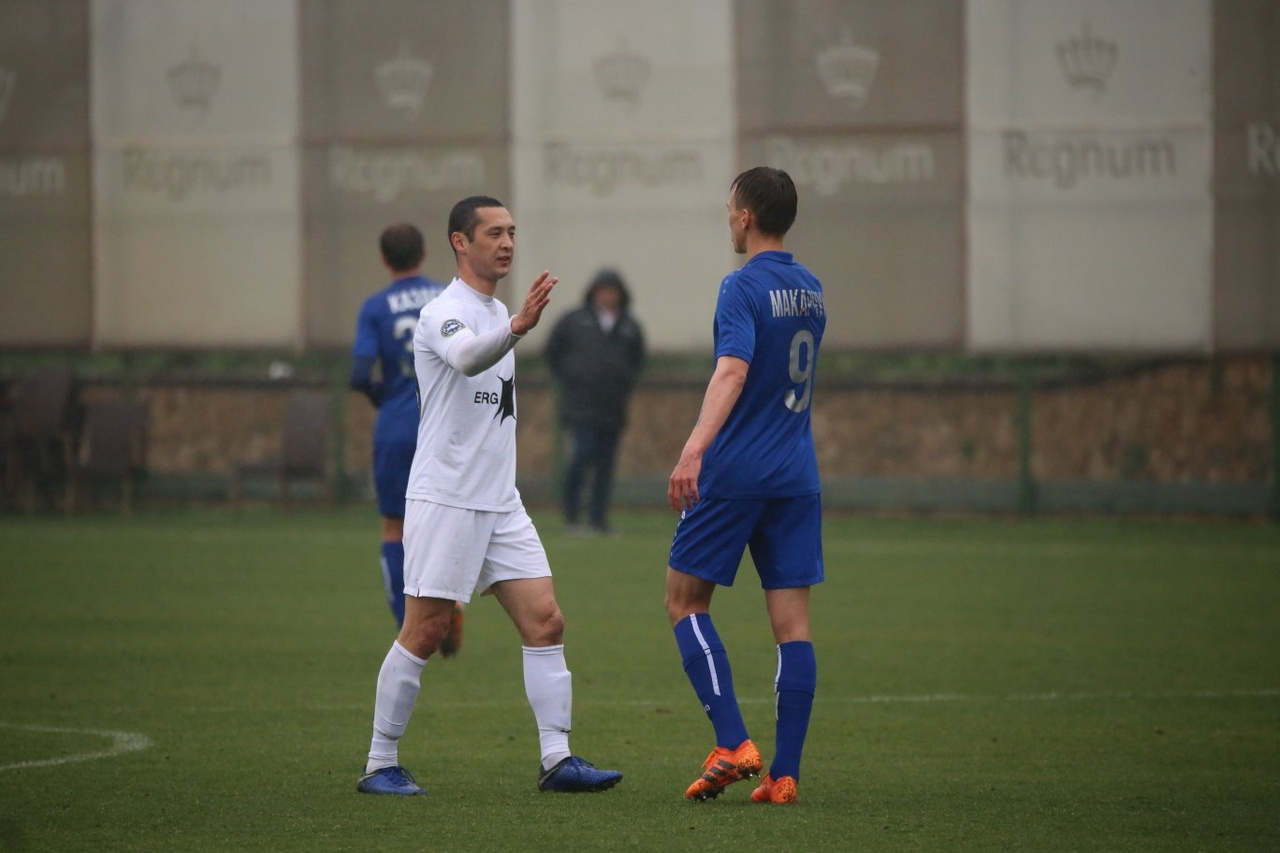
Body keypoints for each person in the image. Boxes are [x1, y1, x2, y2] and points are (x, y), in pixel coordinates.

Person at [355, 196, 624, 797]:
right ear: (460, 242)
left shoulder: (497, 310)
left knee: (546, 621)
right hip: (447, 497)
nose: (507, 243)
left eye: (512, 232)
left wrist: (512, 322)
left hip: (500, 500)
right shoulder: (443, 313)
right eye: (494, 233)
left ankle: (557, 759)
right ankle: (378, 763)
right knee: (426, 630)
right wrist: (518, 326)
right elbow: (466, 357)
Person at [664, 167, 825, 805]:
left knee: (684, 601)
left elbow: (733, 370)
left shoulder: (741, 286)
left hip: (736, 471)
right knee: (793, 626)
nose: (728, 218)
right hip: (796, 473)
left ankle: (733, 743)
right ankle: (784, 776)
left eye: (731, 208)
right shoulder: (811, 289)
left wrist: (693, 449)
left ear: (746, 216)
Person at [348, 224, 464, 655]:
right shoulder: (448, 297)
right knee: (448, 521)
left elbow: (359, 374)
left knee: (396, 527)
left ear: (384, 259)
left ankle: (410, 629)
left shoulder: (376, 307)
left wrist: (385, 398)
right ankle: (451, 606)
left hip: (398, 428)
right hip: (446, 426)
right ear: (425, 253)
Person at [544, 269, 645, 536]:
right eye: (602, 291)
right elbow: (553, 350)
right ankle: (572, 514)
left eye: (612, 291)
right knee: (583, 453)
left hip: (612, 406)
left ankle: (598, 519)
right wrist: (571, 375)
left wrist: (624, 381)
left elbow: (637, 360)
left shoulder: (629, 326)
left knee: (606, 463)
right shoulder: (574, 321)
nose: (607, 296)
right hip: (580, 404)